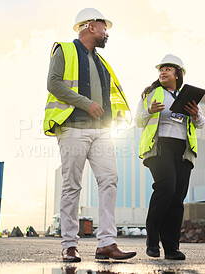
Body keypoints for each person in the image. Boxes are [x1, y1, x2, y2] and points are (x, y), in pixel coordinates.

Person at [43, 8, 136, 262]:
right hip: (73, 127)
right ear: (90, 27)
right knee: (72, 185)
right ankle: (69, 244)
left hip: (102, 131)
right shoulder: (64, 50)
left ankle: (106, 243)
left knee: (110, 180)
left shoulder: (103, 63)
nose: (107, 33)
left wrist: (113, 115)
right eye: (104, 27)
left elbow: (108, 97)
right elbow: (53, 83)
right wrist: (86, 103)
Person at [135, 54, 205, 260]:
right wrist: (149, 110)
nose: (163, 72)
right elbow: (139, 121)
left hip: (183, 150)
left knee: (177, 198)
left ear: (178, 74)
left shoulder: (188, 96)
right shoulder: (150, 93)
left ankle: (172, 248)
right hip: (159, 147)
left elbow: (201, 124)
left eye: (168, 69)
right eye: (161, 69)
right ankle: (152, 240)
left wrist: (195, 115)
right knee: (166, 187)